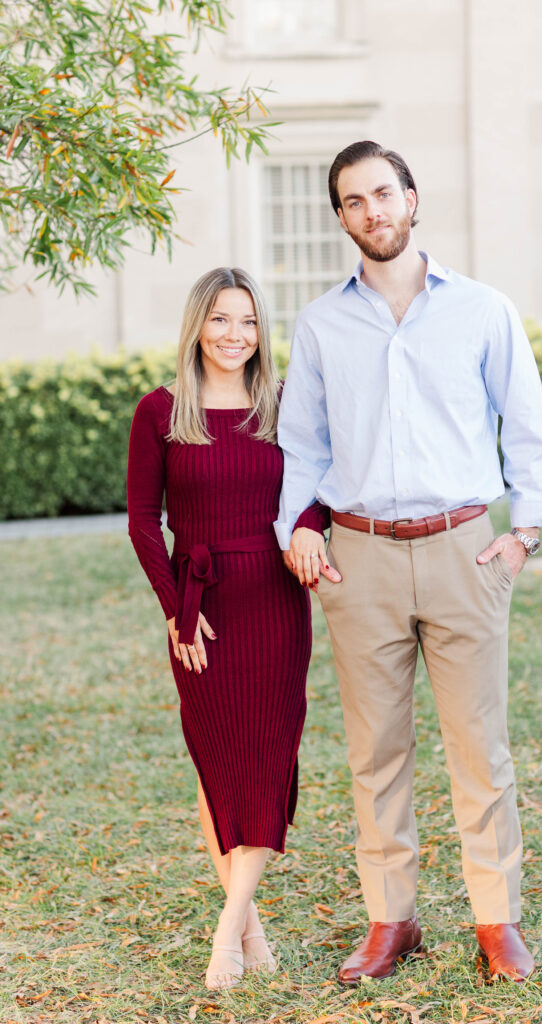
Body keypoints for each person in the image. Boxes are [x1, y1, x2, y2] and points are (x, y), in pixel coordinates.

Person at [275, 141, 542, 984]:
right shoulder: (322, 323)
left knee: (479, 748)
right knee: (375, 753)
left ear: (411, 199)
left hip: (462, 551)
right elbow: (302, 444)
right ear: (340, 218)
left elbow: (526, 430)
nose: (372, 211)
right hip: (357, 559)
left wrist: (524, 535)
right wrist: (297, 524)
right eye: (352, 201)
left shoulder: (482, 309)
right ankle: (389, 920)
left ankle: (495, 921)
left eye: (382, 194)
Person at [127, 267, 326, 990]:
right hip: (199, 604)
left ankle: (227, 931)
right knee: (217, 765)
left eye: (246, 322)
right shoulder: (160, 411)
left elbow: (315, 490)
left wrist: (307, 527)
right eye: (219, 320)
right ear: (196, 326)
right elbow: (142, 521)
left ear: (260, 331)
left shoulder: (281, 405)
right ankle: (249, 927)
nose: (233, 335)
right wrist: (174, 606)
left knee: (268, 760)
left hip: (274, 599)